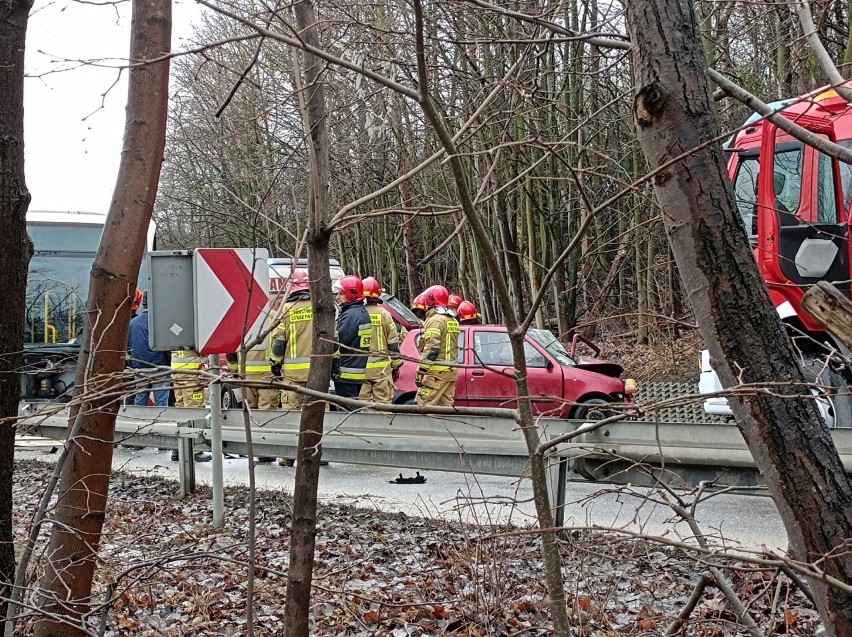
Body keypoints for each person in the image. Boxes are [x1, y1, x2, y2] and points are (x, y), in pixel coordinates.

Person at [270, 271, 314, 466]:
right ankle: (318, 454)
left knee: (291, 415)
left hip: (292, 375)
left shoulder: (286, 309)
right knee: (317, 413)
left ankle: (288, 456)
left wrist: (275, 365)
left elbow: (279, 342)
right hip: (316, 373)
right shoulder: (319, 308)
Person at [359, 277, 403, 404]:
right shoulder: (385, 314)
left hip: (362, 369)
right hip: (382, 370)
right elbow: (393, 344)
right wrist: (396, 365)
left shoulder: (357, 313)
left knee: (362, 405)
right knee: (383, 405)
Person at [415, 285, 460, 407]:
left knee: (423, 405)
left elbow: (432, 349)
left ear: (430, 299)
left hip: (436, 373)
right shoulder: (452, 320)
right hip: (451, 372)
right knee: (445, 408)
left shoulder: (436, 320)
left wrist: (422, 370)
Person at [332, 275, 371, 403]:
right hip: (357, 370)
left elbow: (339, 342)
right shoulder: (361, 312)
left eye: (341, 293)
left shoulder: (351, 316)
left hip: (346, 372)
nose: (337, 297)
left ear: (352, 293)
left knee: (346, 411)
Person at [128, 291, 171, 407]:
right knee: (161, 402)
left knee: (140, 399)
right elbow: (166, 347)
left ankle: (138, 422)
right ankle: (161, 423)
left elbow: (128, 348)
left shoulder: (133, 323)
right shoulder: (160, 323)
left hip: (140, 368)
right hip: (159, 367)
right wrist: (168, 364)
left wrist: (133, 364)